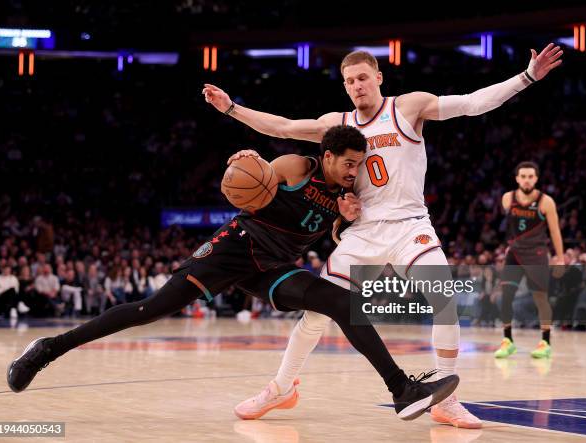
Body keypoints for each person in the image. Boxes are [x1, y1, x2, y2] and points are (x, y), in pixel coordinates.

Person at [203, 42, 563, 428]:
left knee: (444, 299)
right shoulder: (337, 125)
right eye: (349, 81)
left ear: (378, 77)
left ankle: (447, 399)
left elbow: (472, 103)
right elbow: (284, 126)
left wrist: (526, 77)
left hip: (410, 226)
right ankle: (281, 387)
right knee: (317, 313)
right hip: (362, 232)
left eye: (362, 78)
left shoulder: (408, 106)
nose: (356, 86)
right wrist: (230, 108)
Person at [7, 126, 459, 423]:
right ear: (327, 156)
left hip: (273, 268)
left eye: (359, 164)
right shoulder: (298, 167)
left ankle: (400, 389)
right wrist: (248, 162)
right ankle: (48, 348)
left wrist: (344, 220)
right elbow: (257, 175)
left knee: (341, 302)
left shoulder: (344, 195)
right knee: (150, 309)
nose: (354, 170)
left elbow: (335, 235)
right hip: (233, 250)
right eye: (348, 162)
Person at [495, 161, 565, 359]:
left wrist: (560, 258)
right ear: (517, 178)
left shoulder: (546, 202)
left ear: (536, 178)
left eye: (530, 176)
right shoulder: (507, 198)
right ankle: (507, 340)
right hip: (515, 253)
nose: (527, 180)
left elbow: (555, 231)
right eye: (523, 176)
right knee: (505, 296)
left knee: (540, 298)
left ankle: (545, 342)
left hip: (537, 255)